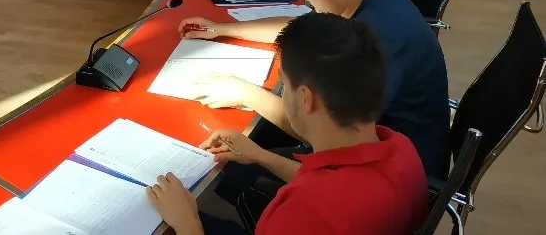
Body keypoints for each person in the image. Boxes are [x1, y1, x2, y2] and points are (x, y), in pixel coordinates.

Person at [179, 0, 449, 200]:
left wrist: (244, 93)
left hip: (393, 179)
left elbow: (326, 134)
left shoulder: (378, 38)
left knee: (235, 170)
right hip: (378, 146)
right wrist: (221, 29)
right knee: (259, 132)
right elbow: (302, 27)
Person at [147, 13, 429, 235]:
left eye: (284, 85)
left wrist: (187, 224)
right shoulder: (400, 148)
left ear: (306, 99)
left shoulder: (301, 213)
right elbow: (339, 186)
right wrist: (262, 156)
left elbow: (321, 203)